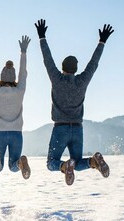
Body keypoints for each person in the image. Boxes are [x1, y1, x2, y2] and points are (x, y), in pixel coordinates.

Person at [35, 19, 112, 185]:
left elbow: (47, 59)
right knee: (77, 163)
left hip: (60, 128)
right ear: (76, 69)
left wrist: (42, 37)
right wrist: (102, 41)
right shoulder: (82, 81)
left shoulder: (56, 79)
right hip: (77, 129)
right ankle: (93, 162)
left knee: (52, 163)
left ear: (63, 67)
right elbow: (93, 63)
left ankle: (64, 166)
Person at [0, 36, 31, 180]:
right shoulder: (20, 90)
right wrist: (23, 52)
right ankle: (21, 163)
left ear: (1, 77)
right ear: (14, 78)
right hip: (16, 133)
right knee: (13, 166)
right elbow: (23, 73)